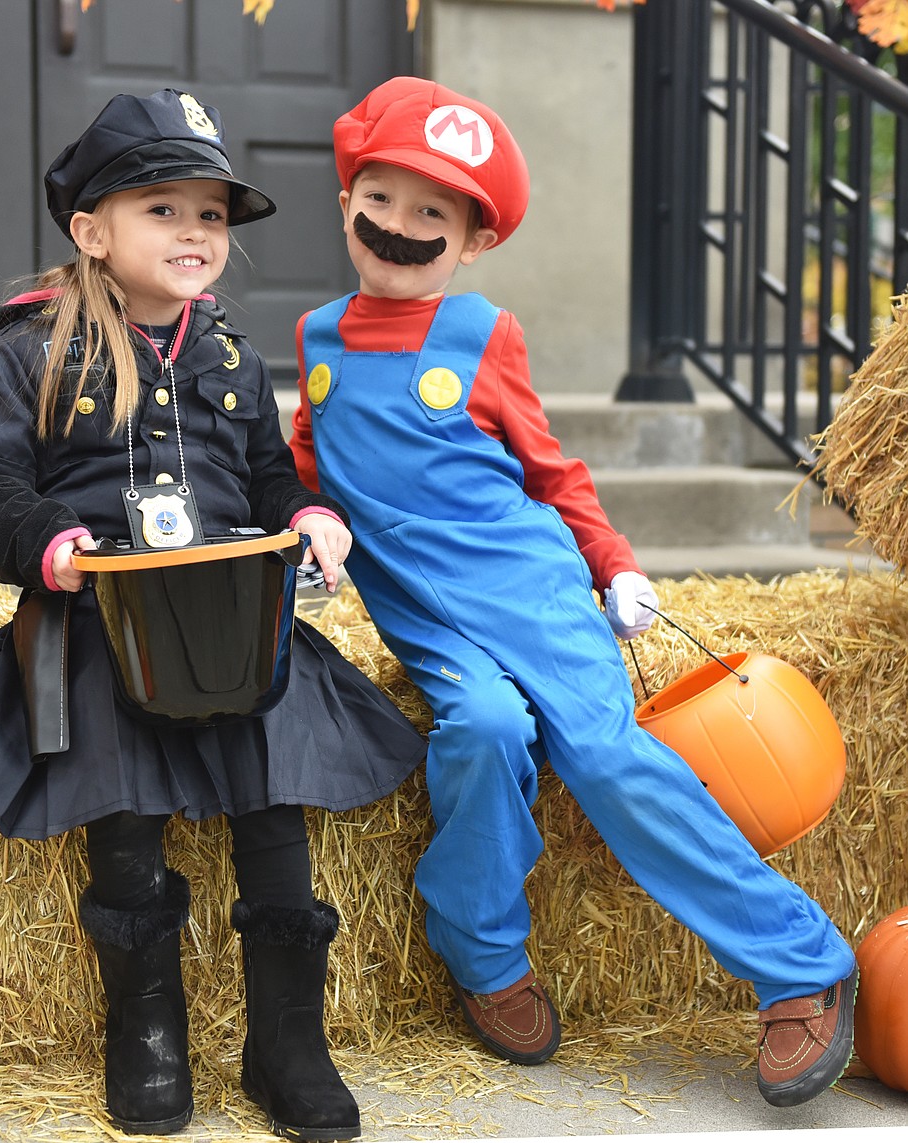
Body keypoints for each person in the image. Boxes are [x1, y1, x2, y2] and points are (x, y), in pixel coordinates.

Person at [288, 75, 858, 1109]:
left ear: (472, 242)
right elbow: (309, 465)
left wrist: (616, 563)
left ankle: (798, 961)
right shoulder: (317, 336)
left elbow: (553, 472)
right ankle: (484, 954)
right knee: (484, 734)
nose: (401, 227)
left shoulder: (481, 334)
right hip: (427, 615)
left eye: (435, 214)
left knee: (602, 752)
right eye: (384, 198)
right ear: (345, 201)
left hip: (534, 592)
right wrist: (301, 526)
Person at [0, 88, 425, 1142]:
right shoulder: (31, 349)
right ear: (92, 231)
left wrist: (308, 517)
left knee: (274, 792)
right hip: (103, 621)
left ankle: (287, 1039)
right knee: (122, 802)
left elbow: (267, 477)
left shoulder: (234, 358)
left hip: (232, 623)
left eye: (210, 214)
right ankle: (147, 1025)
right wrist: (51, 547)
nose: (195, 233)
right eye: (162, 209)